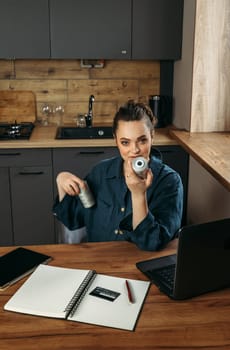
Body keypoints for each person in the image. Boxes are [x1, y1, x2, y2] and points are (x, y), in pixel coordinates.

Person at [53, 101, 183, 251]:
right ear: (115, 140)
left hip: (141, 265)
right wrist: (61, 179)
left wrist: (138, 195)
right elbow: (72, 219)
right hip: (100, 261)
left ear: (152, 136)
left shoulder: (169, 181)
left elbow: (153, 243)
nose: (134, 150)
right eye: (125, 142)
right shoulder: (100, 173)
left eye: (142, 140)